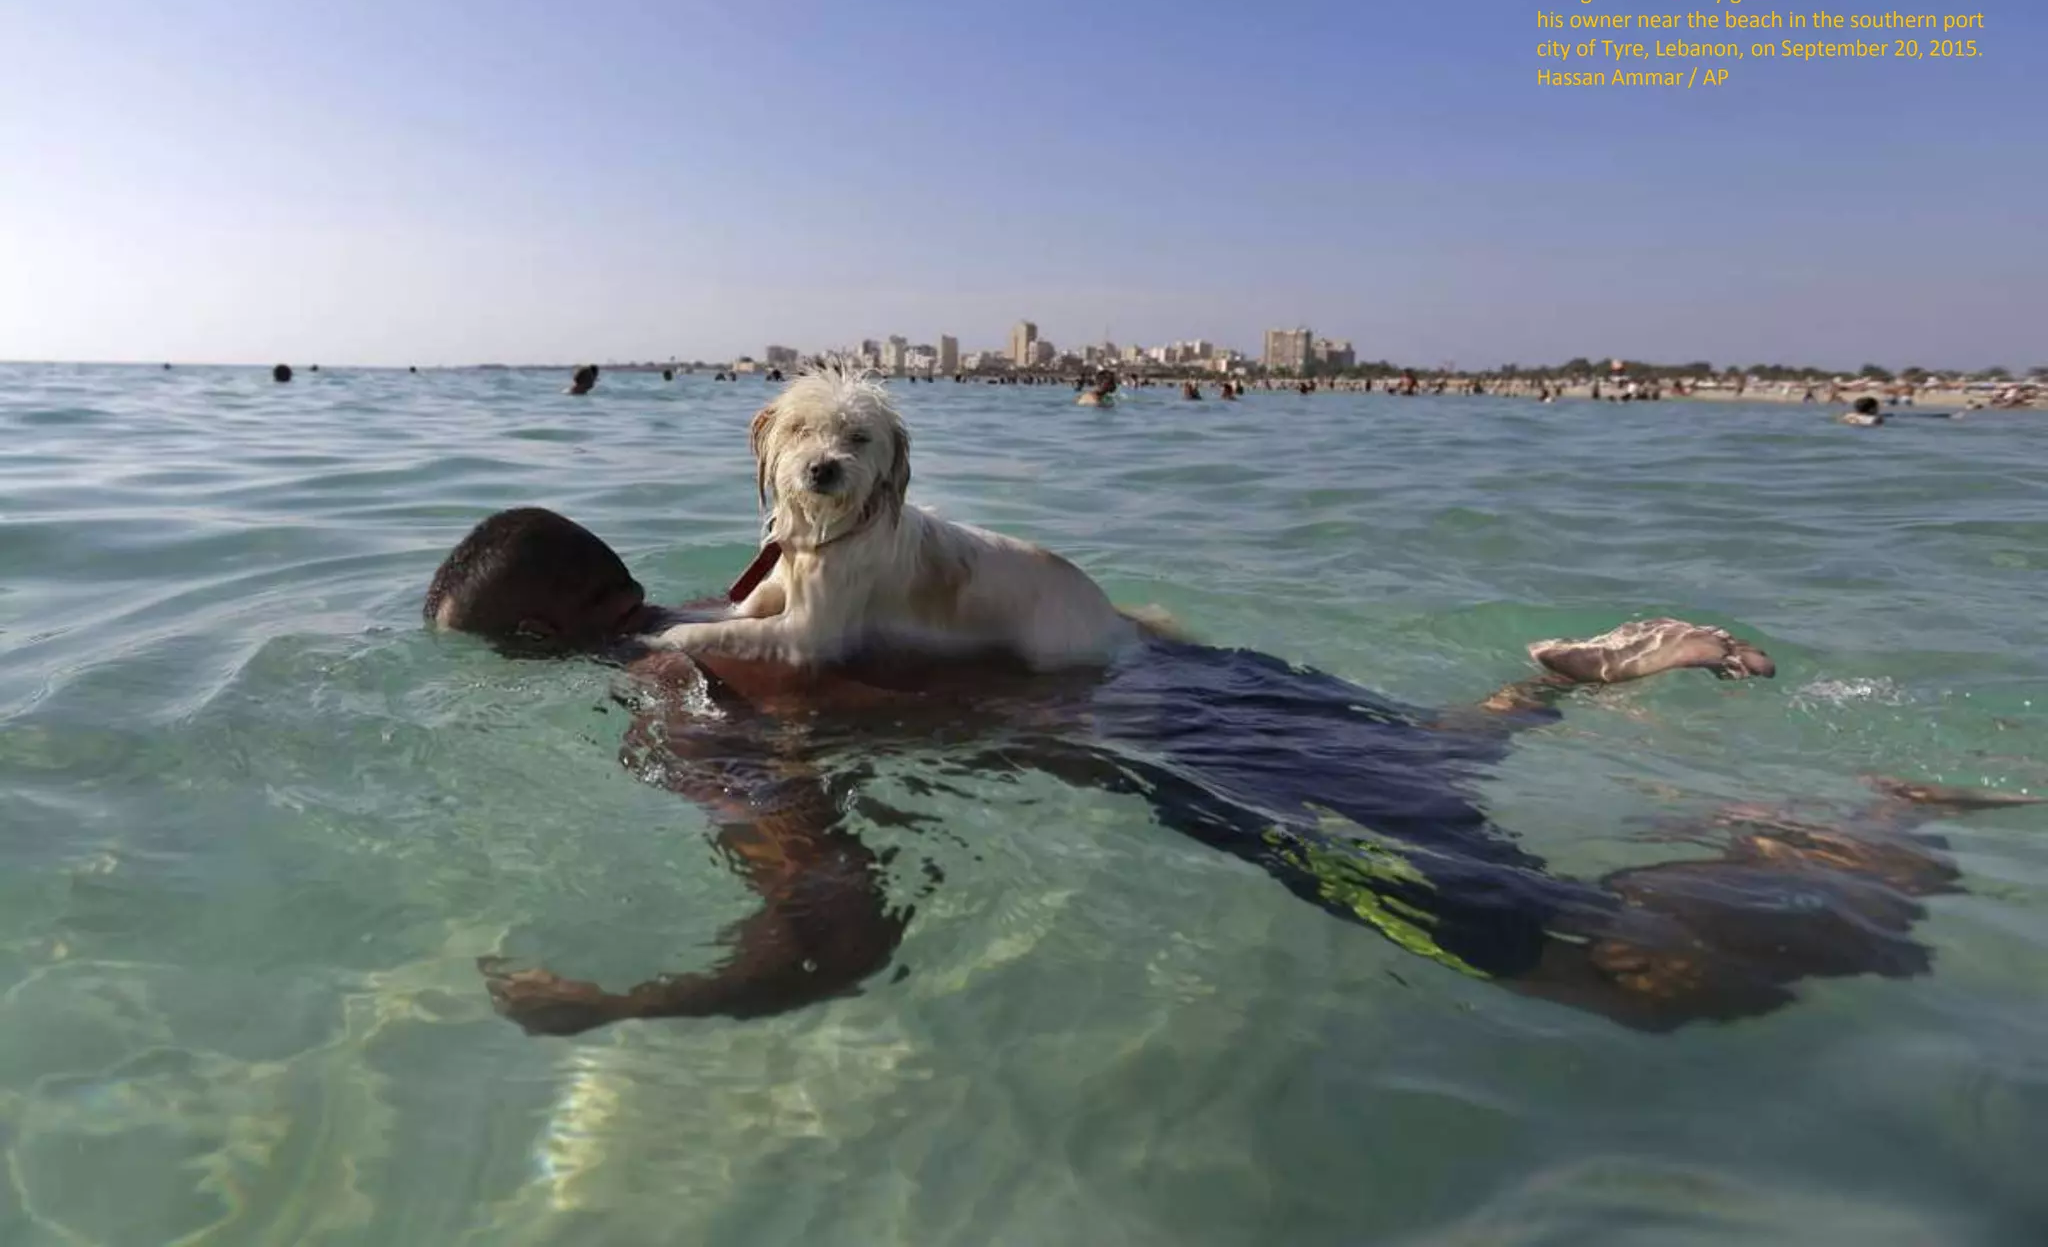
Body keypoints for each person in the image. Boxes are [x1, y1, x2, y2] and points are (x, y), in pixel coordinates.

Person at [424, 508, 2034, 1036]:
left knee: (1617, 976)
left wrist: (641, 1009)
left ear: (564, 624)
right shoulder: (774, 573)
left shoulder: (688, 680)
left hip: (1170, 738)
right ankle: (1581, 682)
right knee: (1402, 762)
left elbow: (840, 927)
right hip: (1191, 674)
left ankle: (1878, 826)